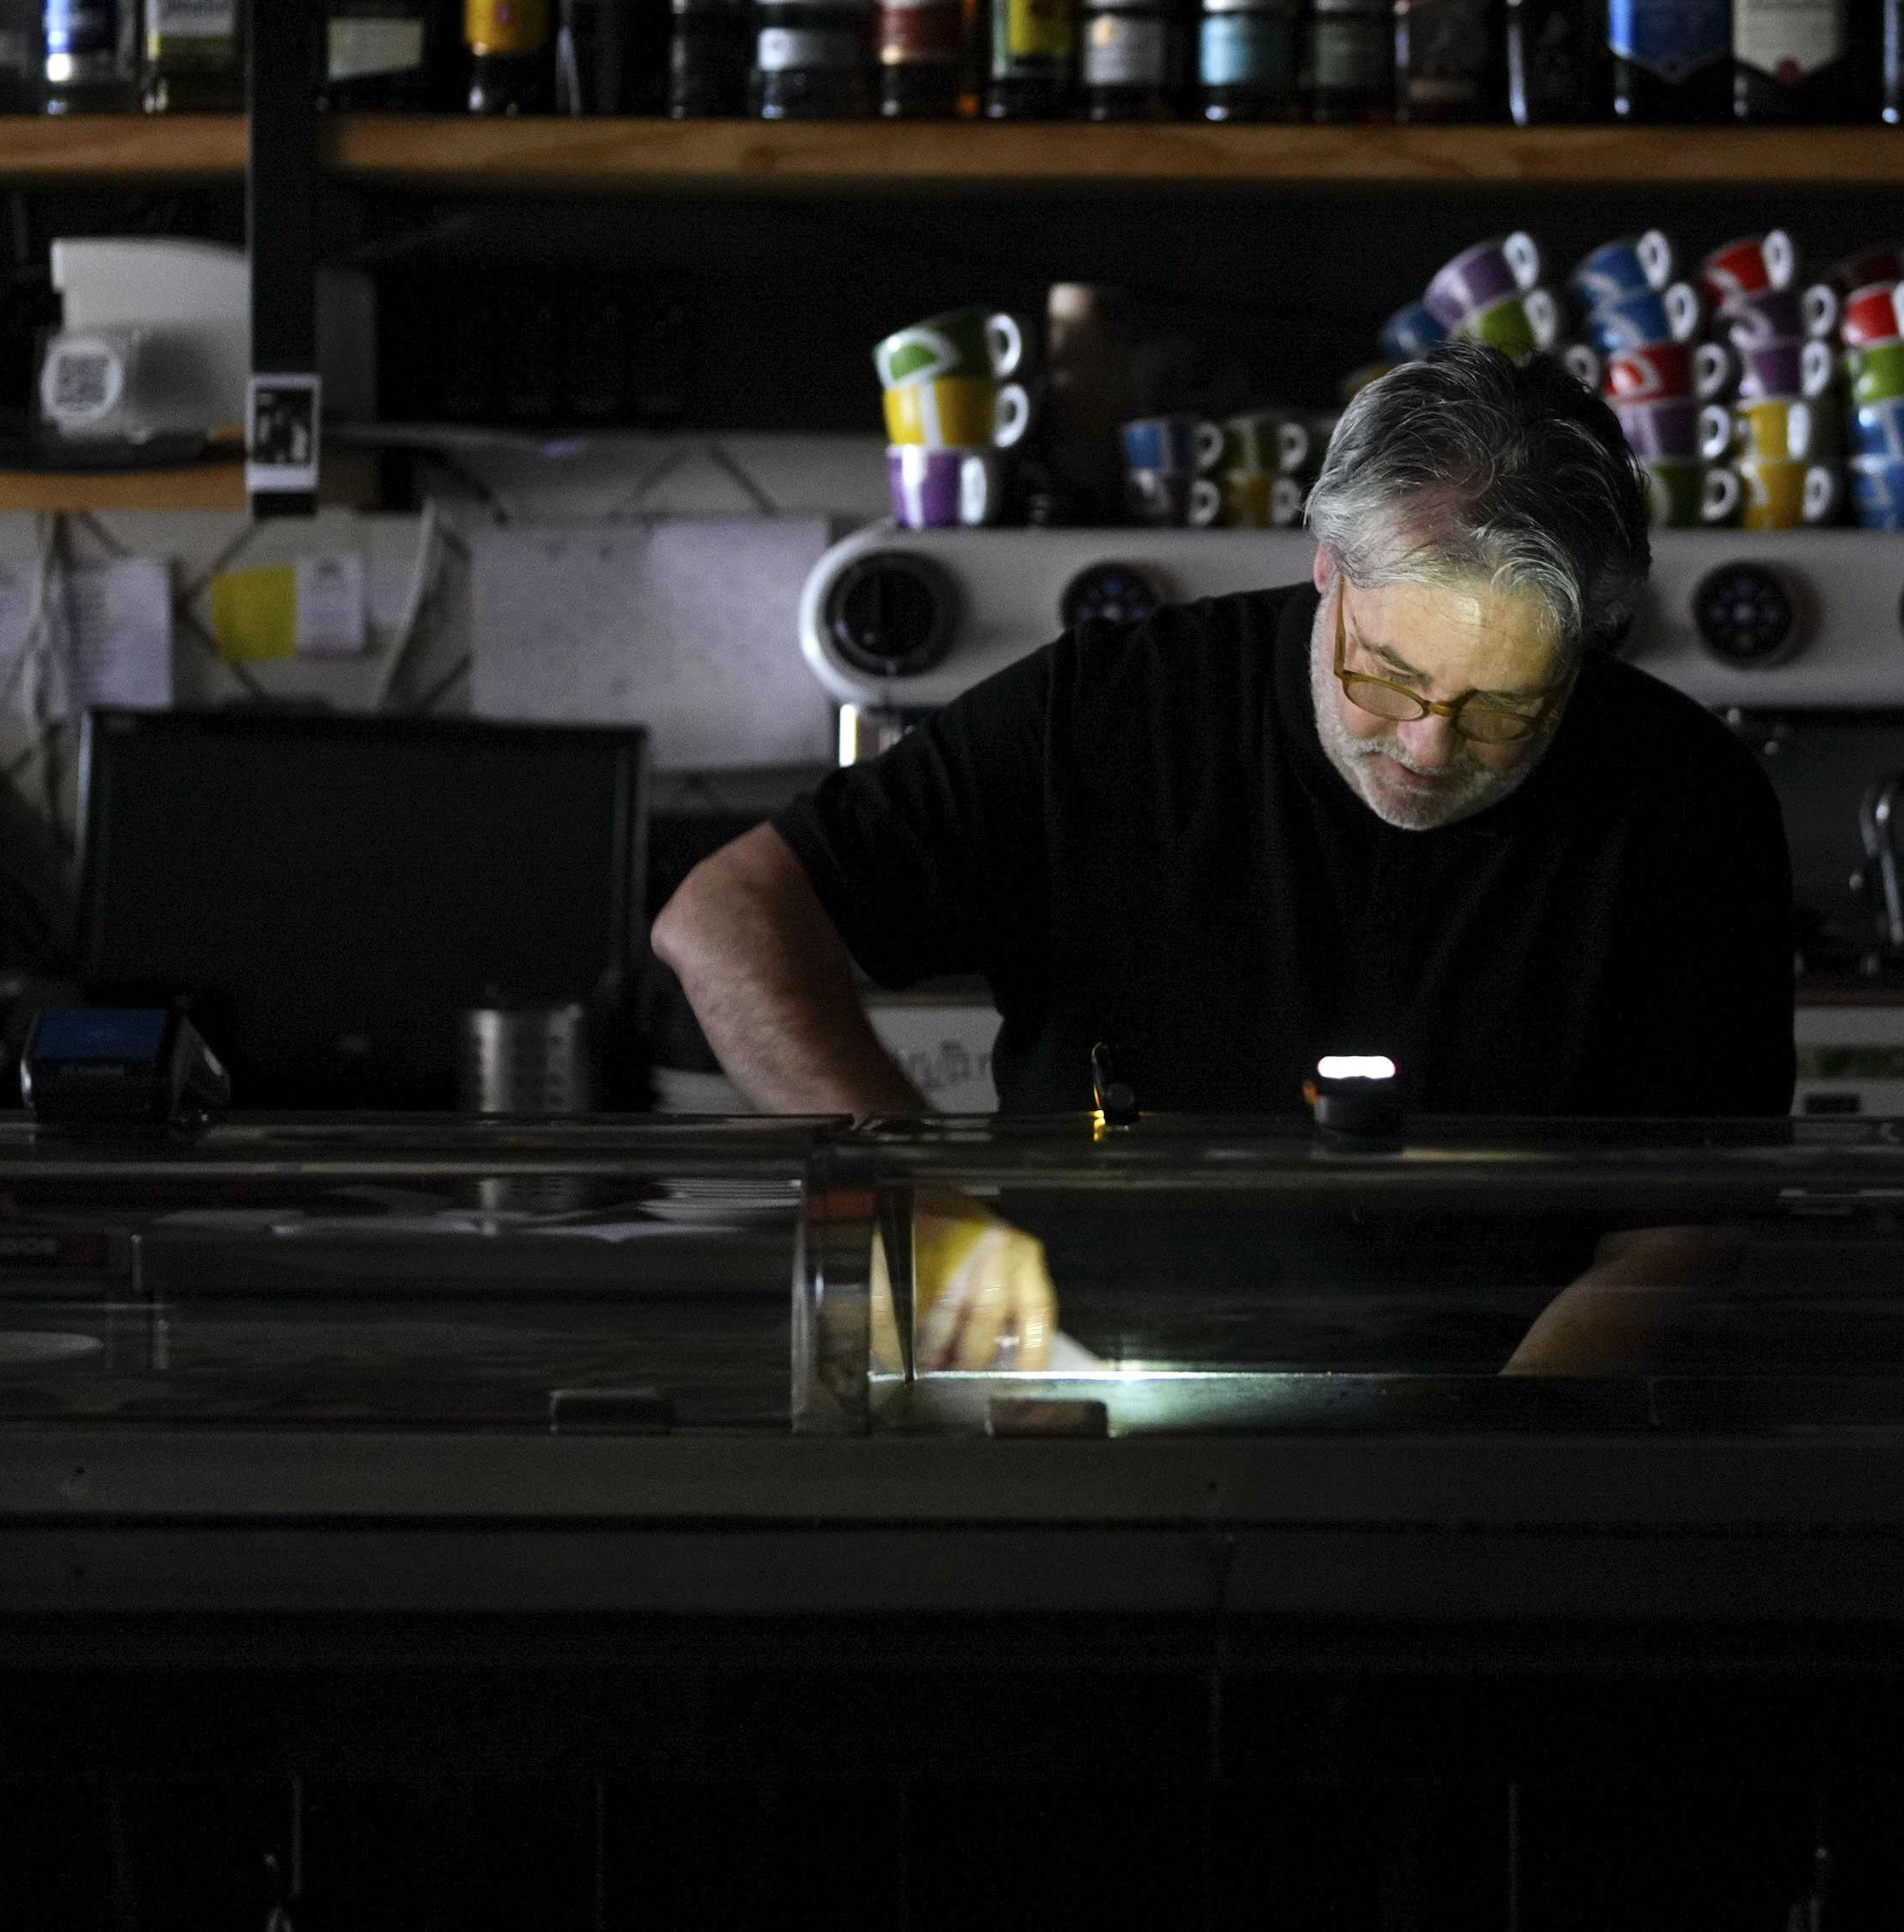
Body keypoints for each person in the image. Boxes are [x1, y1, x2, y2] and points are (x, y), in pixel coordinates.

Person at [653, 342, 1798, 1363]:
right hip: (1083, 1395)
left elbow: (1685, 1228)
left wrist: (1503, 1451)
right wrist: (914, 1194)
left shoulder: (1686, 802)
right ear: (1326, 571)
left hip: (1515, 1427)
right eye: (1387, 674)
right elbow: (725, 915)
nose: (1430, 744)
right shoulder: (1113, 713)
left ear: (1589, 645)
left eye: (1508, 704)